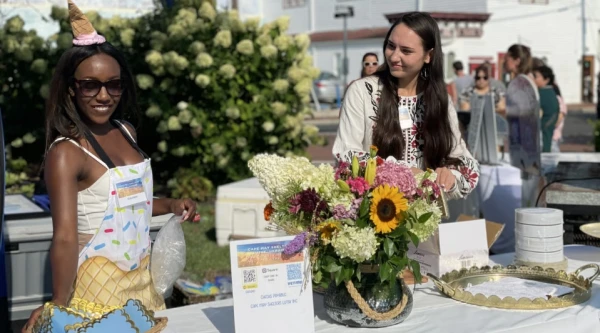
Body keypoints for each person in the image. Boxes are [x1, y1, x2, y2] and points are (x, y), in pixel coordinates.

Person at [23, 2, 197, 331]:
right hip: (95, 294)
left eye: (113, 85)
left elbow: (131, 202)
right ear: (72, 88)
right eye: (91, 85)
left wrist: (171, 204)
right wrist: (58, 306)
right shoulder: (66, 153)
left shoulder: (126, 132)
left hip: (140, 287)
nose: (104, 95)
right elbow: (64, 237)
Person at [333, 12, 480, 200]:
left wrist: (450, 176)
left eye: (406, 51)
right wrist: (405, 174)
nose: (394, 56)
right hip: (369, 217)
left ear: (429, 56)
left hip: (424, 219)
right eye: (391, 46)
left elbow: (466, 163)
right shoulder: (362, 91)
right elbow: (347, 156)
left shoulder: (439, 99)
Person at [533, 65, 560, 153]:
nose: (533, 79)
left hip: (540, 138)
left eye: (535, 76)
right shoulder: (551, 93)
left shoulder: (541, 94)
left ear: (546, 79)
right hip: (548, 138)